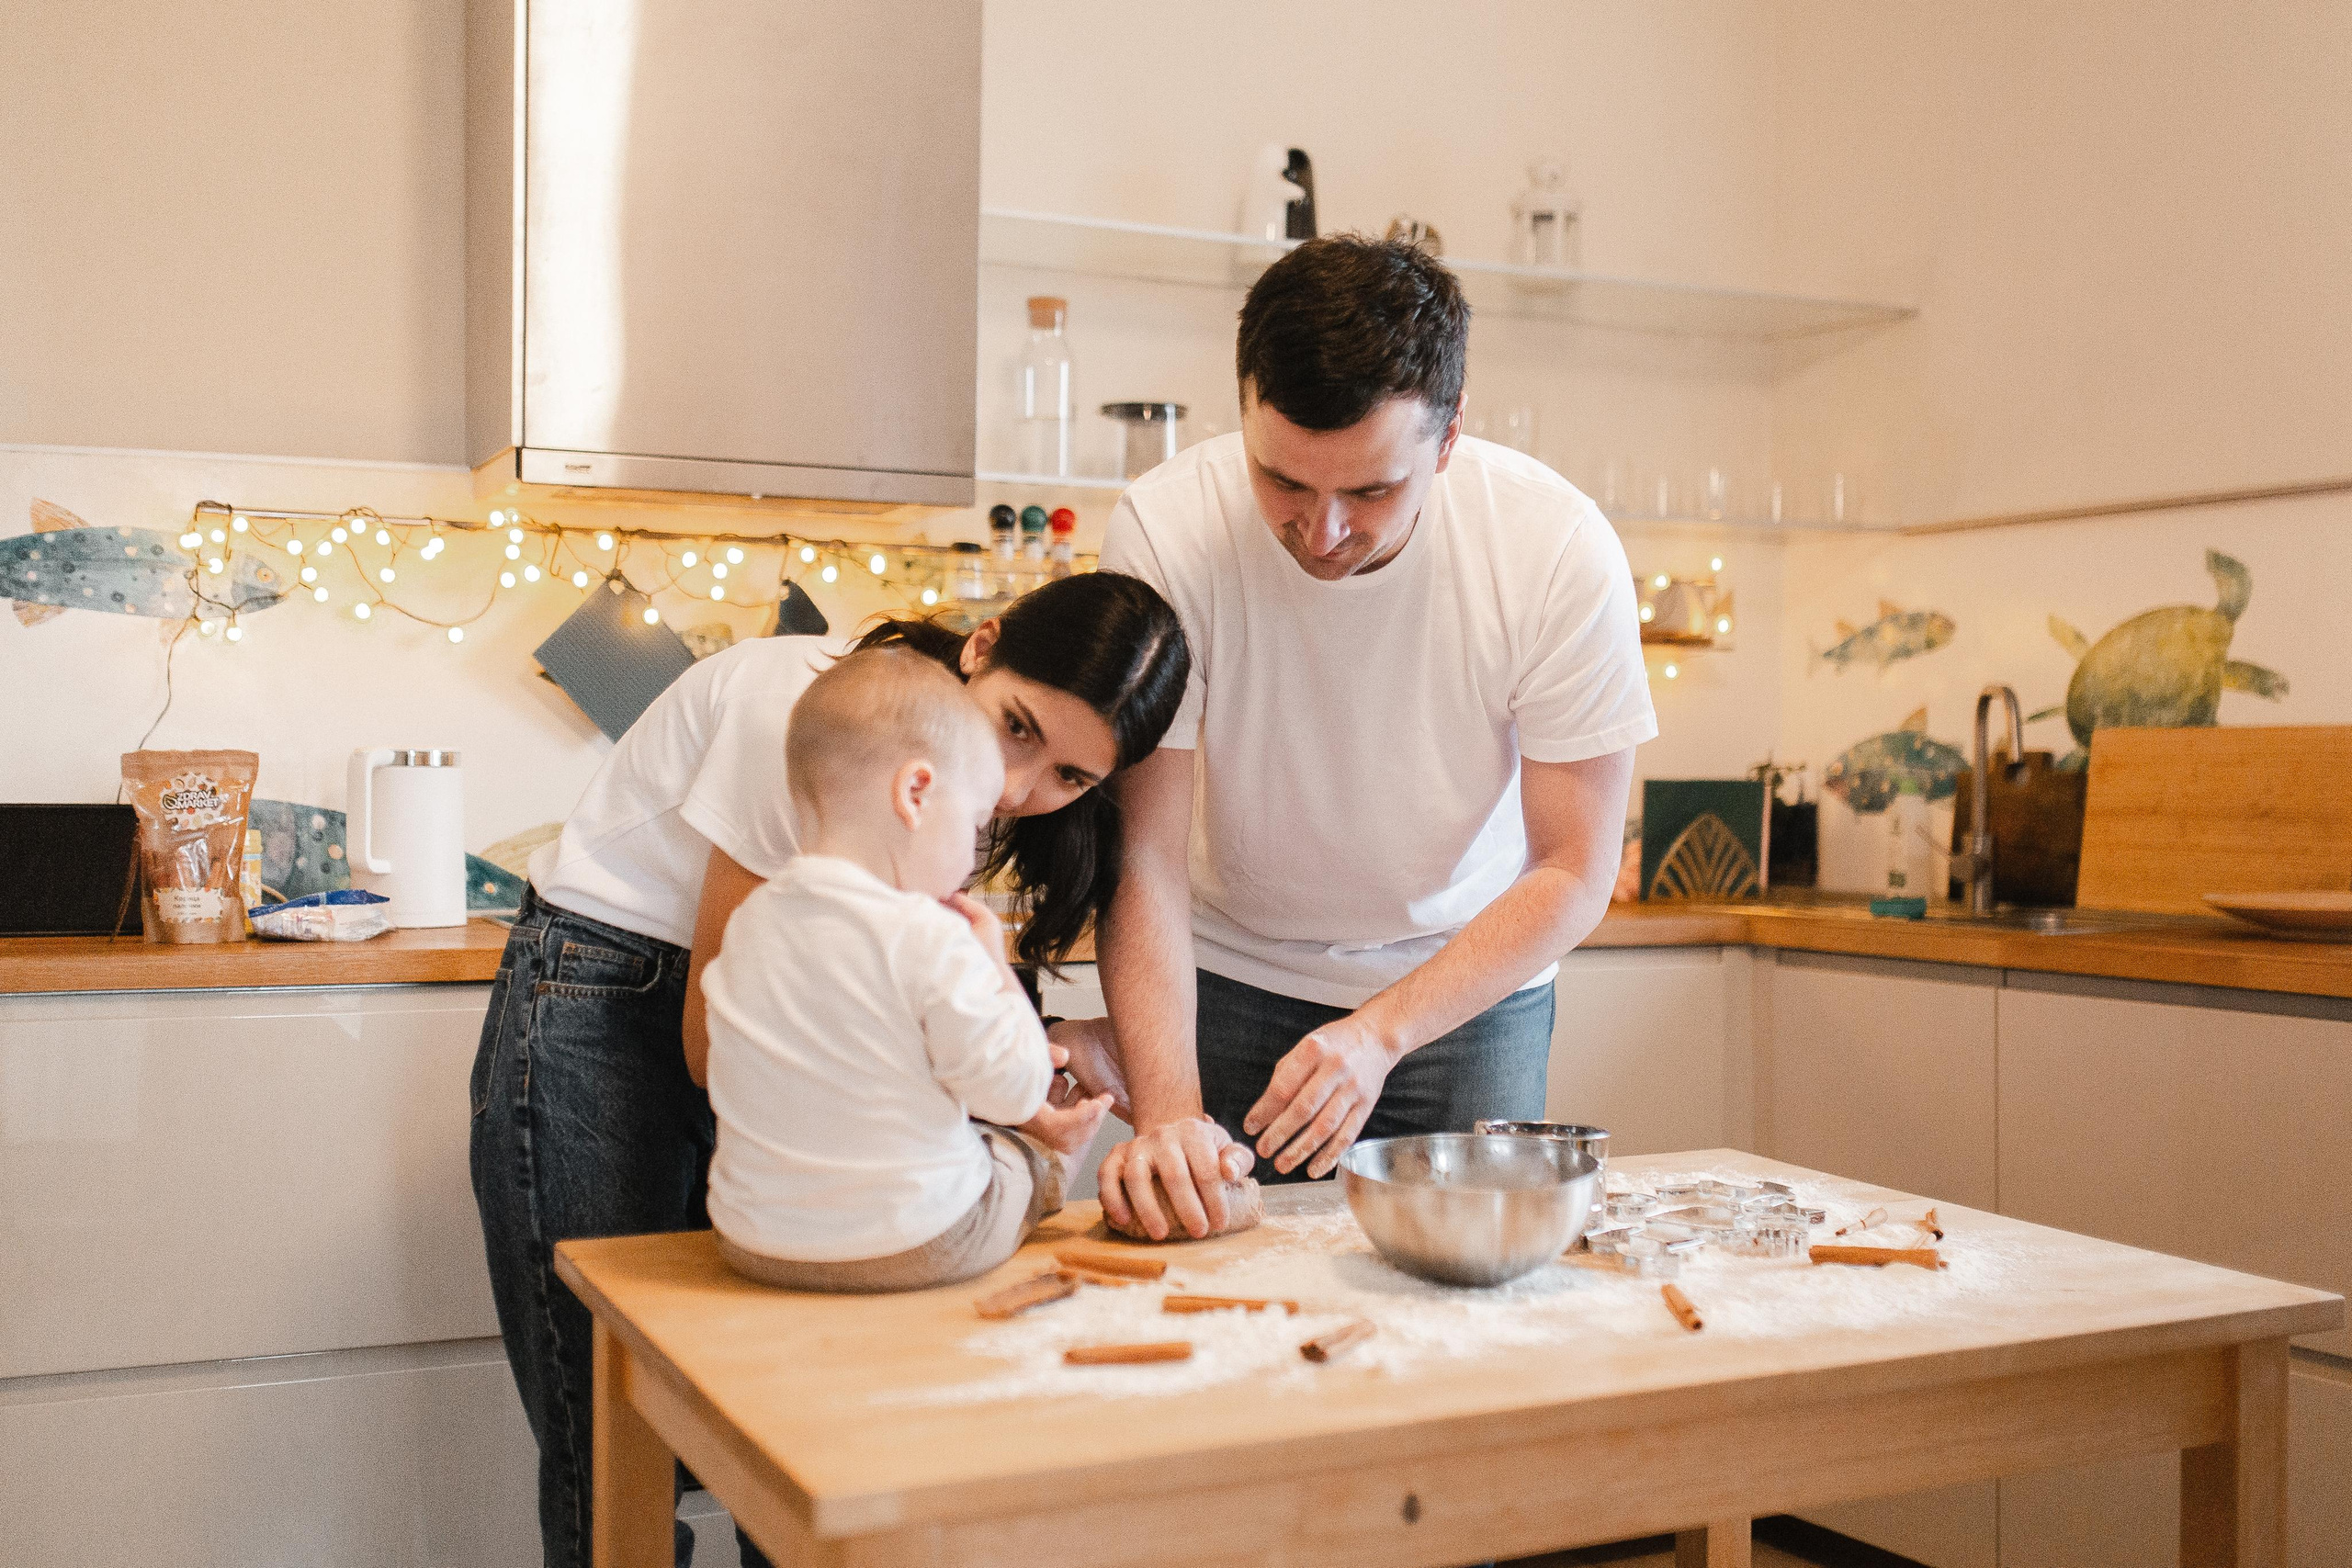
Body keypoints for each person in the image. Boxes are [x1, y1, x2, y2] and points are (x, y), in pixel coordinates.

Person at [469, 573, 1187, 1568]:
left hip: (752, 1036)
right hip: (602, 997)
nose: (1022, 791)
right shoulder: (814, 722)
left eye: (1069, 777)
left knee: (807, 1432)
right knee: (609, 1429)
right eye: (1019, 730)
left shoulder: (940, 780)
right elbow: (714, 1048)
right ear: (980, 649)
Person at [1092, 235, 1656, 1240]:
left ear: (1448, 439)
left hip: (1468, 991)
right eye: (1285, 484)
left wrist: (1381, 1031)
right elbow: (1143, 854)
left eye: (1369, 492)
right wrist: (1171, 1114)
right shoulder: (1166, 529)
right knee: (1219, 1290)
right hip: (1228, 977)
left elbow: (1574, 869)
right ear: (1245, 410)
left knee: (1475, 1293)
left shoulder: (1554, 549)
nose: (1321, 532)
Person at [704, 647, 1112, 1292]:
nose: (972, 855)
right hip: (919, 1240)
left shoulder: (753, 922)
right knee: (1011, 1159)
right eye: (975, 825)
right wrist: (995, 966)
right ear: (916, 792)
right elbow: (1011, 1090)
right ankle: (1052, 1171)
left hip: (753, 1239)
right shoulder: (926, 935)